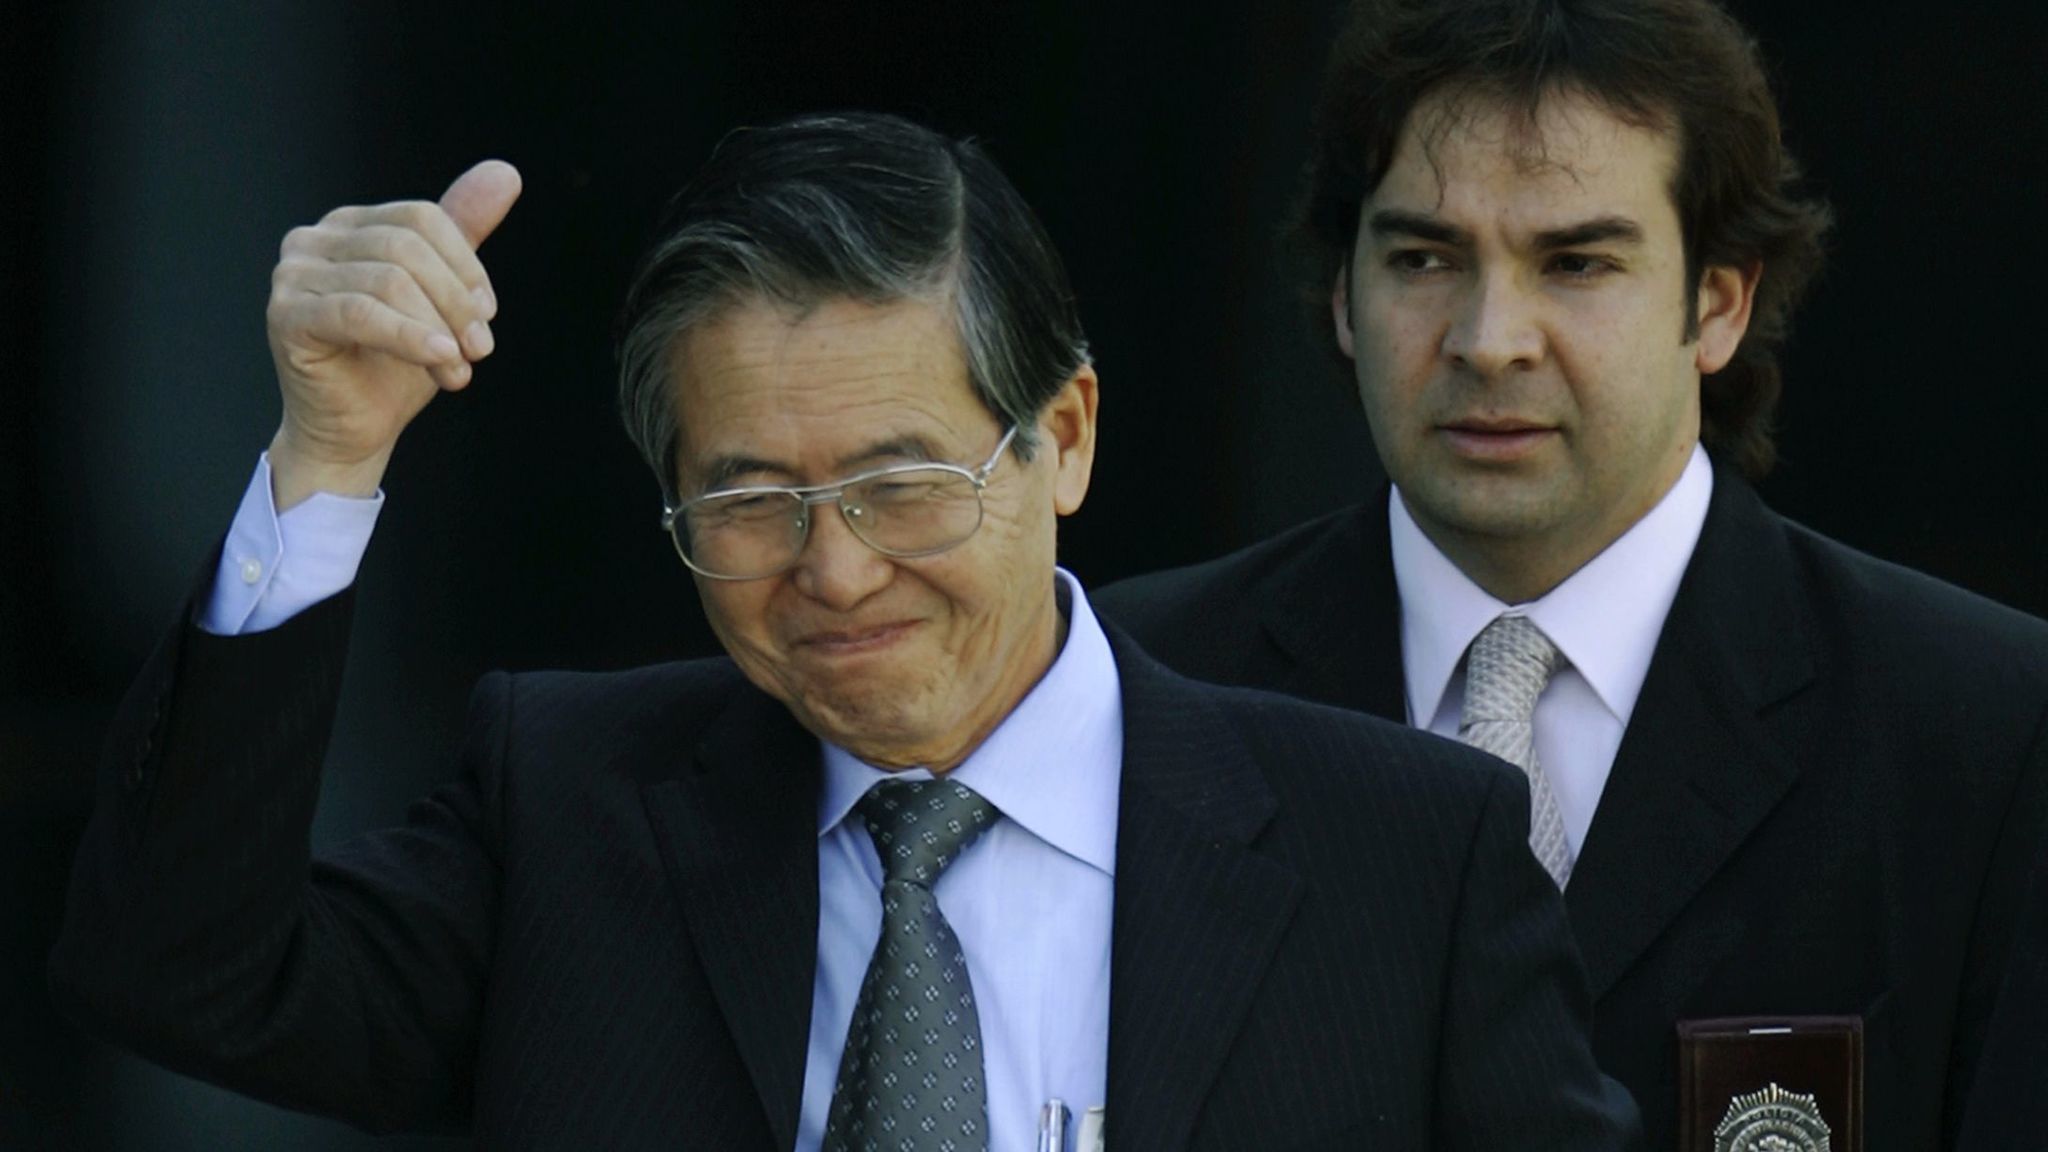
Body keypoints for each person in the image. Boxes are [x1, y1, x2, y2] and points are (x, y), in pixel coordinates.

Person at [48, 113, 1636, 1150]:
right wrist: (327, 457)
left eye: (904, 485)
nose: (837, 573)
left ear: (1065, 437)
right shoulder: (576, 808)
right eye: (745, 503)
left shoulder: (1404, 858)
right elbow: (186, 979)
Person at [1094, 0, 2048, 1148]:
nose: (1489, 337)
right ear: (1343, 296)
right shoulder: (1133, 687)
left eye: (1576, 261)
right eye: (1422, 257)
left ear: (1719, 302)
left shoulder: (1984, 732)